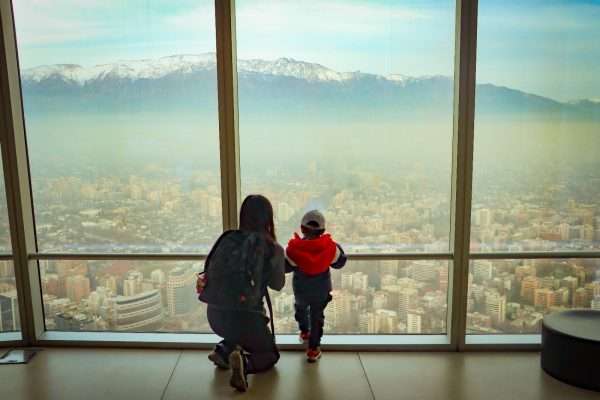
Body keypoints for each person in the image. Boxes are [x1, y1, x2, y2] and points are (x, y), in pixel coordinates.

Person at [197, 195, 285, 392]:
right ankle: (246, 363)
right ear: (268, 218)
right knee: (270, 355)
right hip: (248, 318)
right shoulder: (273, 248)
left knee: (238, 331)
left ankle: (223, 351)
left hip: (215, 316)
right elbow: (278, 284)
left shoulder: (228, 238)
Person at [285, 210, 347, 362]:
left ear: (302, 228)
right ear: (323, 230)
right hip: (321, 290)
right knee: (317, 317)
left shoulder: (294, 249)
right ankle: (313, 349)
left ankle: (304, 331)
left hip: (301, 290)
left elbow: (286, 267)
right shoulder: (331, 248)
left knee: (300, 309)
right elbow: (340, 262)